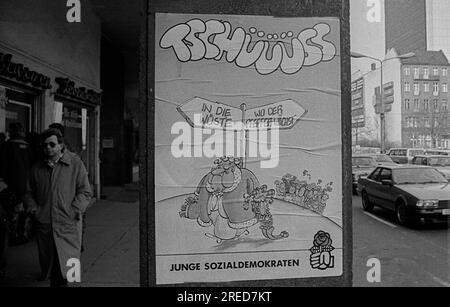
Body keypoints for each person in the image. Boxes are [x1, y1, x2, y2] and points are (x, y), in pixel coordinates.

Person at [25, 129, 91, 287]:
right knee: (51, 265)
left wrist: (75, 210)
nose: (48, 148)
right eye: (45, 145)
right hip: (45, 224)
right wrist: (34, 209)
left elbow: (85, 192)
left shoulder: (75, 163)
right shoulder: (37, 168)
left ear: (61, 145)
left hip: (68, 223)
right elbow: (27, 193)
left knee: (68, 269)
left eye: (52, 144)